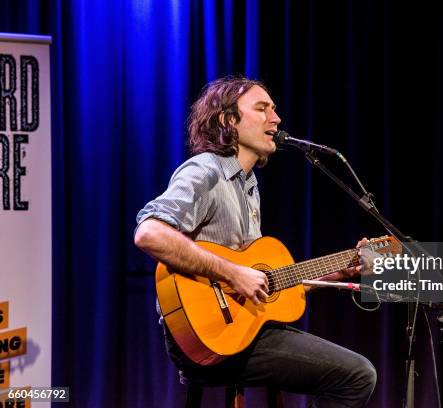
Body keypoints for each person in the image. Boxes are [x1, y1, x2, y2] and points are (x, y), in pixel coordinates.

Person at [134, 76, 377, 407]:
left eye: (274, 110)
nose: (275, 119)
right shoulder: (205, 170)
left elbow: (266, 285)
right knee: (357, 375)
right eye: (262, 109)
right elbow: (149, 233)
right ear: (227, 120)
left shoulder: (248, 185)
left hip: (242, 334)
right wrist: (233, 274)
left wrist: (339, 270)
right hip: (204, 339)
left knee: (356, 370)